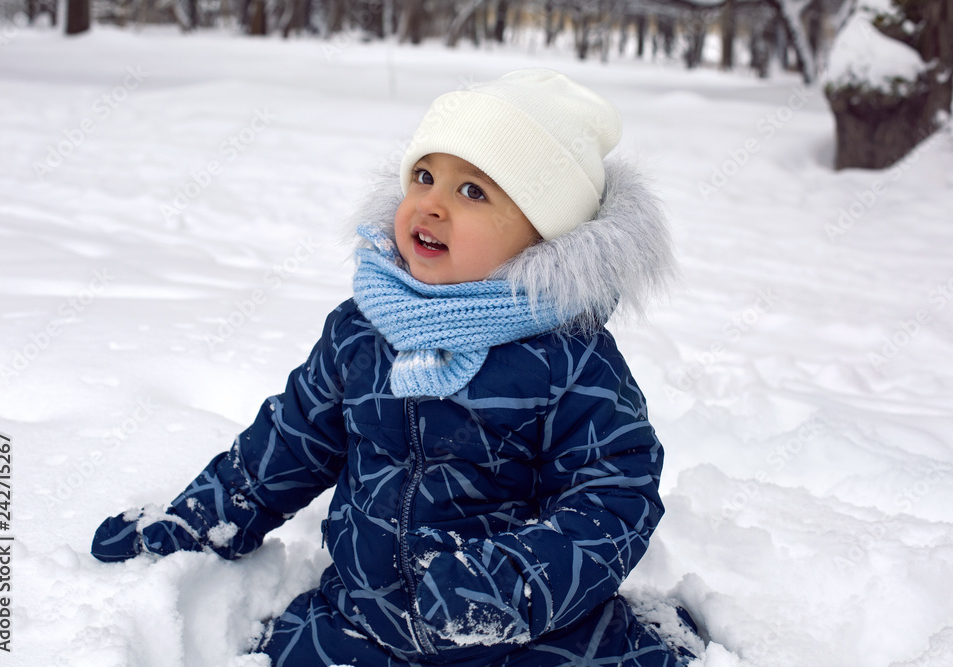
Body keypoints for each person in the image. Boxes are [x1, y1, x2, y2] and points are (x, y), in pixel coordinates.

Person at [92, 69, 692, 666]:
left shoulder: (571, 360)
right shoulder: (364, 329)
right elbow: (290, 442)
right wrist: (200, 520)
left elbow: (614, 496)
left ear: (543, 239)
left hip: (528, 635)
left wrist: (514, 585)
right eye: (424, 176)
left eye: (473, 191)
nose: (431, 204)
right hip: (362, 621)